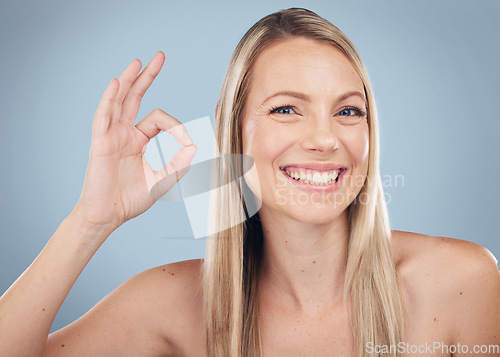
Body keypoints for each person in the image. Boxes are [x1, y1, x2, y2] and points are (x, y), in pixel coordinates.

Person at [0, 7, 498, 357]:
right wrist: (90, 220)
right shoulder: (170, 304)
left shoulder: (460, 281)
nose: (325, 139)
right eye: (286, 109)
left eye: (348, 110)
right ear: (231, 132)